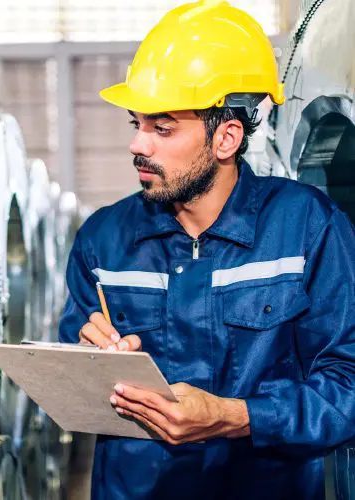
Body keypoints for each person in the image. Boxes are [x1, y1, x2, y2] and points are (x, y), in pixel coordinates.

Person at [58, 1, 355, 499]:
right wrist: (89, 361)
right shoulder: (103, 240)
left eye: (163, 127)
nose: (138, 144)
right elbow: (70, 378)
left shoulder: (306, 229)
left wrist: (234, 417)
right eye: (137, 124)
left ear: (227, 137)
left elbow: (348, 384)